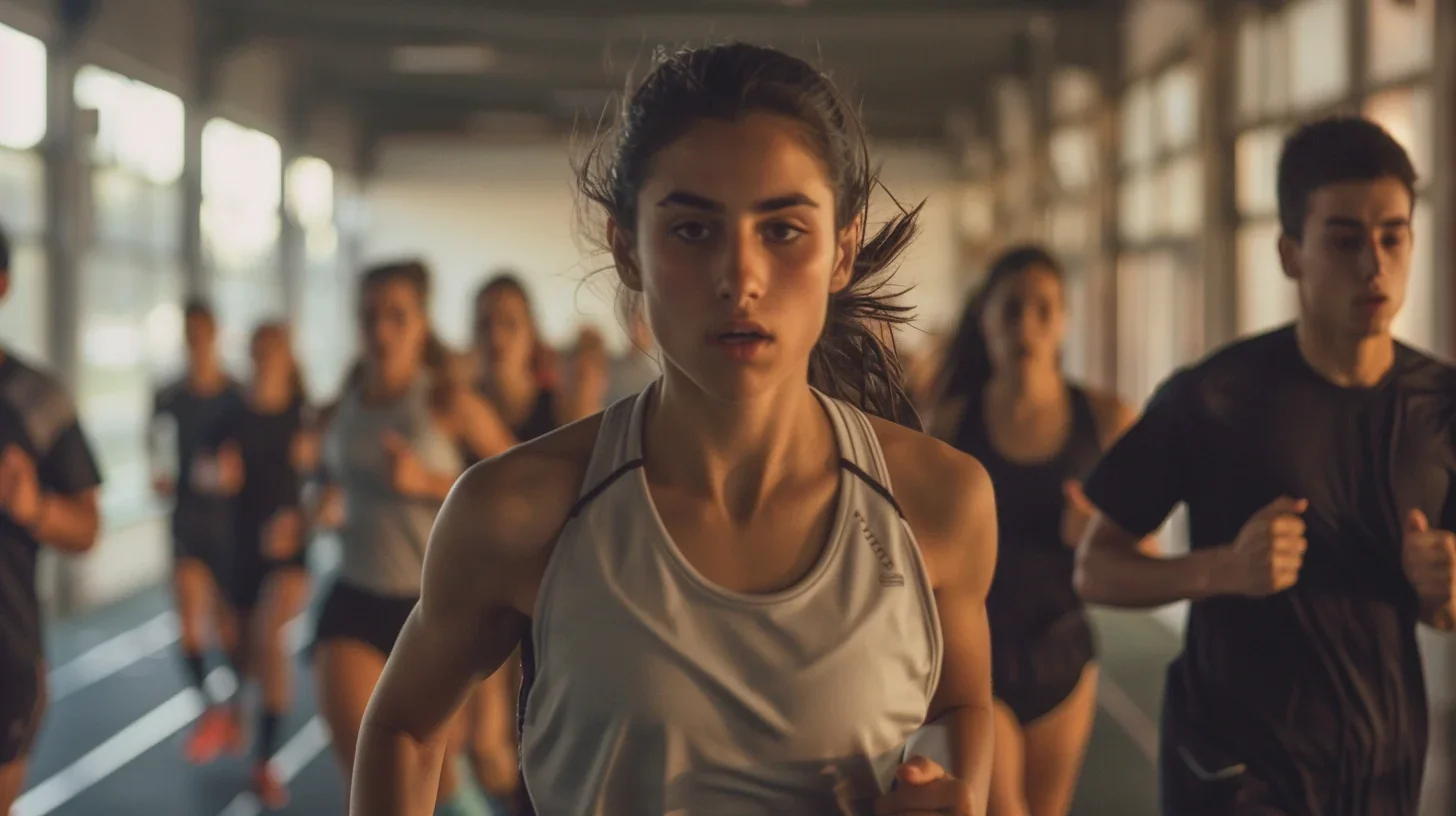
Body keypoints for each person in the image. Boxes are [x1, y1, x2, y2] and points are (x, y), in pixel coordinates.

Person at [352, 43, 997, 816]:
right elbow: (403, 728)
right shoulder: (519, 512)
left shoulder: (937, 501)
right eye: (693, 230)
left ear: (842, 251)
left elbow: (959, 707)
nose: (741, 277)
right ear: (627, 246)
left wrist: (942, 785)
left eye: (783, 230)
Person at [1074, 116, 1456, 816]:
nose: (1374, 265)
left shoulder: (1443, 406)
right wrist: (1221, 570)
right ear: (1290, 253)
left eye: (1393, 237)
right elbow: (1096, 566)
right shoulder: (1213, 398)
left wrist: (1445, 588)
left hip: (1380, 768)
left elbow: (1445, 612)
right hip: (1237, 767)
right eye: (1345, 240)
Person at [929, 246, 1147, 816]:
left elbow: (1145, 555)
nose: (1026, 324)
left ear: (1064, 321)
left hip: (1064, 654)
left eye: (1043, 310)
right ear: (986, 321)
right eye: (1011, 310)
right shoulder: (950, 422)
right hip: (980, 654)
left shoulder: (1106, 418)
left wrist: (1101, 534)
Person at [312, 260, 516, 814]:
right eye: (369, 317)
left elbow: (522, 489)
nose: (381, 331)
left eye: (397, 317)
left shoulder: (448, 403)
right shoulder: (344, 405)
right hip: (354, 596)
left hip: (432, 609)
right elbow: (329, 489)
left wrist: (425, 481)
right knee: (366, 779)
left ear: (422, 324)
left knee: (436, 784)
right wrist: (315, 512)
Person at [0, 223, 105, 813]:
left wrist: (33, 508)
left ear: (3, 285)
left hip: (4, 657)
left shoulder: (36, 399)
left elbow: (88, 528)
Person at [204, 322, 314, 809]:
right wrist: (216, 474)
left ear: (289, 358)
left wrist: (305, 518)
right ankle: (239, 711)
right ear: (250, 354)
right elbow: (199, 468)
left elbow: (334, 483)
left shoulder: (303, 417)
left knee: (269, 640)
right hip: (241, 549)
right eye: (260, 349)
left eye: (277, 349)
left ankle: (263, 764)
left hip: (289, 554)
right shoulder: (232, 415)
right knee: (239, 652)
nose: (268, 358)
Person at [150, 299, 249, 762]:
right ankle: (211, 712)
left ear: (214, 335)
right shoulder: (167, 396)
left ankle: (235, 711)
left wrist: (236, 475)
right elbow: (156, 452)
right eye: (188, 335)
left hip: (230, 528)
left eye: (201, 333)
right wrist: (160, 476)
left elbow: (255, 463)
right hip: (187, 522)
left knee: (232, 634)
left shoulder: (237, 396)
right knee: (189, 628)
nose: (195, 343)